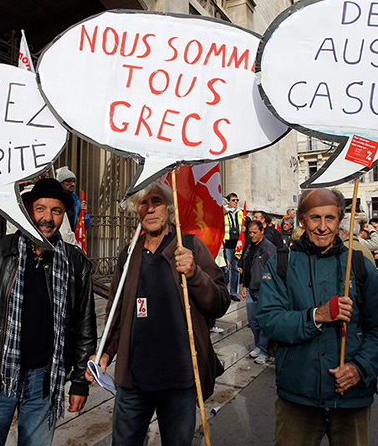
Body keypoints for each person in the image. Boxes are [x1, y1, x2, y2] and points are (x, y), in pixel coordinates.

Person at [0, 178, 96, 446]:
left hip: (44, 382)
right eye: (40, 209)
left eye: (56, 211)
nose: (47, 218)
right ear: (27, 211)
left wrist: (80, 381)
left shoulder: (75, 261)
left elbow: (84, 325)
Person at [90, 180, 229, 445]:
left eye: (157, 201)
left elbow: (220, 301)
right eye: (144, 203)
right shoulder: (129, 254)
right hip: (134, 381)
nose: (150, 209)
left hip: (180, 379)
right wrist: (106, 351)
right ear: (137, 210)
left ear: (169, 208)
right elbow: (116, 312)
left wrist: (195, 273)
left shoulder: (190, 247)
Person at [257, 188, 378, 446]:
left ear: (340, 219)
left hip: (352, 397)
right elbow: (270, 320)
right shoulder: (280, 264)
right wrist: (316, 316)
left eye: (330, 218)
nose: (322, 227)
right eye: (314, 218)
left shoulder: (359, 265)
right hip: (298, 396)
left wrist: (360, 368)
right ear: (301, 220)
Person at [239, 220, 276, 364]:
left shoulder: (268, 248)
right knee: (252, 321)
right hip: (249, 288)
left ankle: (265, 351)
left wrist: (268, 288)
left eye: (255, 232)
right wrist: (244, 286)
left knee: (263, 322)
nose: (252, 235)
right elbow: (248, 267)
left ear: (262, 231)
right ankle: (259, 345)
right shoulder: (250, 246)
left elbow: (272, 270)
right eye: (250, 233)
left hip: (264, 290)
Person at [55, 166, 91, 245]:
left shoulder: (76, 201)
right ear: (60, 183)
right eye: (68, 181)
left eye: (74, 181)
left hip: (72, 241)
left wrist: (83, 213)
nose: (72, 184)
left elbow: (85, 225)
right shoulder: (55, 200)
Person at [223, 192, 245, 300]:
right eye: (233, 200)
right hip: (227, 243)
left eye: (237, 200)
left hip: (237, 244)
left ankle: (233, 292)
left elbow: (245, 223)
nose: (236, 202)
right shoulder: (223, 212)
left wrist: (245, 228)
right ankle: (224, 290)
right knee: (226, 269)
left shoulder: (240, 212)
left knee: (236, 269)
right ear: (228, 201)